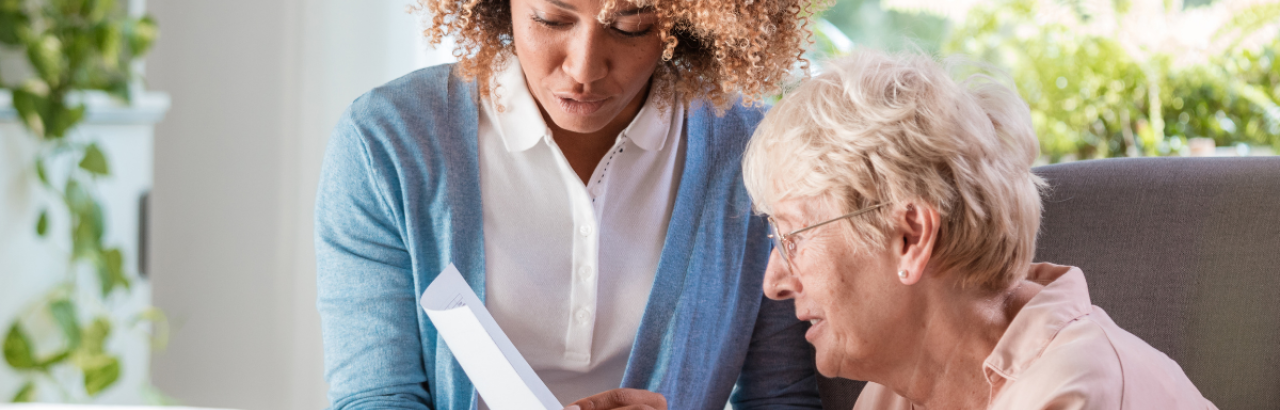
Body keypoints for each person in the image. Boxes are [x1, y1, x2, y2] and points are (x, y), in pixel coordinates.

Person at [314, 0, 828, 408]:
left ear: (689, 19)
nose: (584, 68)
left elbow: (782, 398)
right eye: (551, 19)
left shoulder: (754, 152)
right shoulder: (388, 143)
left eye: (631, 26)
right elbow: (376, 398)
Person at [740, 49, 1218, 409]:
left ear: (910, 238)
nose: (774, 283)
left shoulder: (1075, 388)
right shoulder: (894, 393)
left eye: (792, 237)